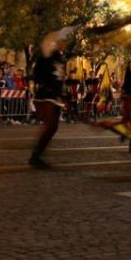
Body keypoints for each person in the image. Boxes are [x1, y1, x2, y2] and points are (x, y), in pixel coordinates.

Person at [28, 25, 77, 168]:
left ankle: (37, 155)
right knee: (51, 126)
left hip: (55, 95)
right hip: (46, 95)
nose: (65, 44)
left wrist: (65, 94)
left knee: (52, 127)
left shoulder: (59, 58)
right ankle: (35, 156)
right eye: (63, 41)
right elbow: (47, 41)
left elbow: (60, 77)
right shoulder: (49, 53)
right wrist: (66, 30)